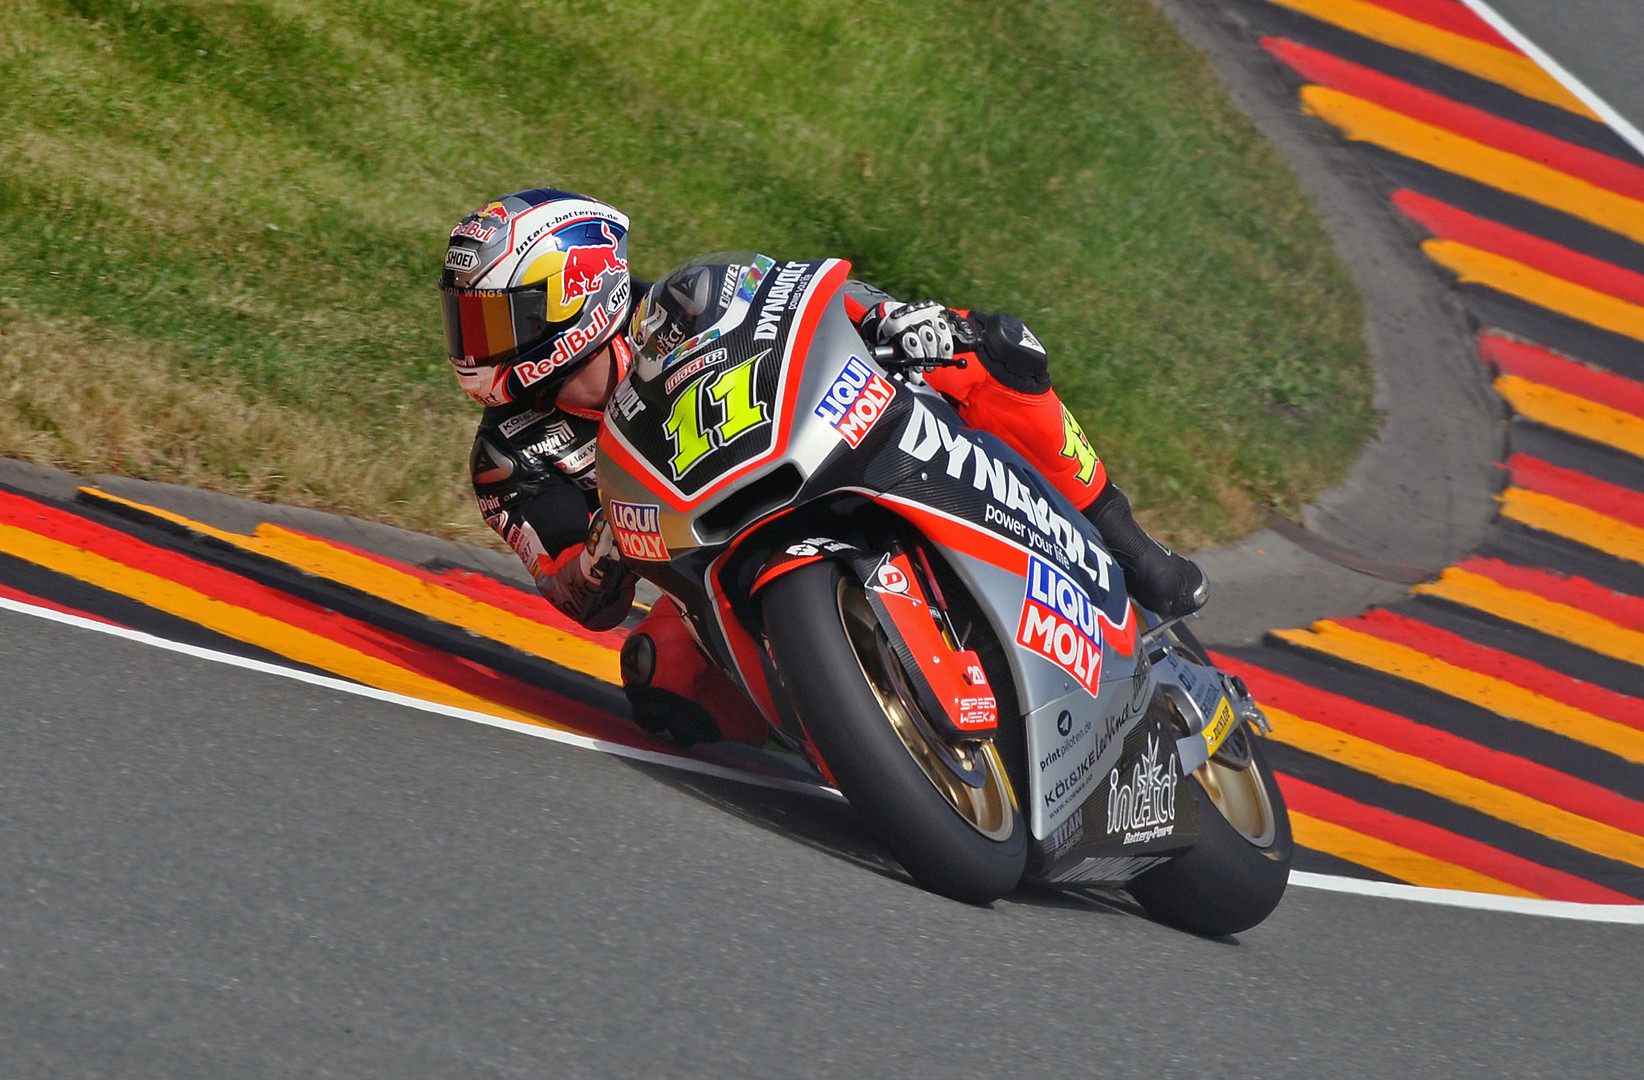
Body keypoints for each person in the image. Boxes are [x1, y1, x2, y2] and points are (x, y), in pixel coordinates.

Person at [440, 188, 1207, 745]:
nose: (475, 343)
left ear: (577, 293)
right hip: (706, 555)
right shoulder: (508, 459)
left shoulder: (690, 295)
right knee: (659, 680)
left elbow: (810, 299)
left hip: (820, 447)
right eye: (467, 321)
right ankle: (862, 731)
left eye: (498, 317)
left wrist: (896, 320)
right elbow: (581, 597)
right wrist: (596, 559)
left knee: (992, 351)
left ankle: (1133, 548)